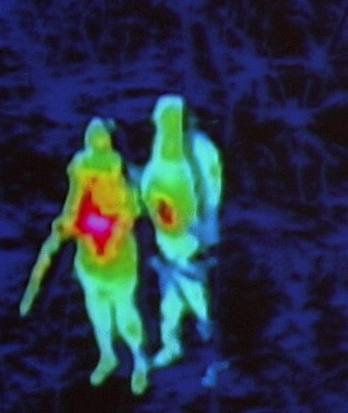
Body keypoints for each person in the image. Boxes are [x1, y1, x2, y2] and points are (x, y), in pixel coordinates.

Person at [19, 118, 149, 395]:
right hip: (90, 263)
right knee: (97, 310)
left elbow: (125, 219)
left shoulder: (126, 189)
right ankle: (107, 355)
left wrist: (99, 232)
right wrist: (65, 226)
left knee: (125, 312)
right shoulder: (82, 177)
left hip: (119, 264)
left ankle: (139, 361)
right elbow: (73, 209)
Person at [140, 94, 222, 368]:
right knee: (172, 298)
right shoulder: (164, 152)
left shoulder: (199, 149)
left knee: (195, 293)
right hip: (170, 237)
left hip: (190, 237)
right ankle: (172, 344)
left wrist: (204, 232)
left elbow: (210, 189)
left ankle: (213, 353)